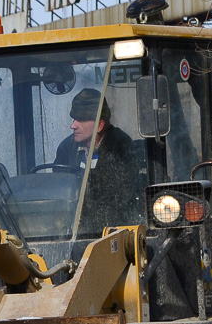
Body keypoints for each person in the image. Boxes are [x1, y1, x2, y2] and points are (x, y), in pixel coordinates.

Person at [51, 88, 143, 230]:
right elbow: (59, 193)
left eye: (80, 120)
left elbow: (121, 199)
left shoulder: (120, 148)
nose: (73, 125)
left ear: (100, 125)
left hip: (112, 230)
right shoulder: (66, 148)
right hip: (72, 230)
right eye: (74, 119)